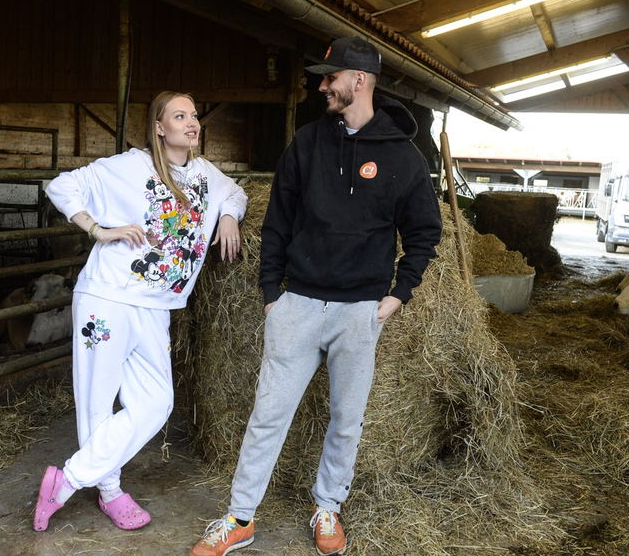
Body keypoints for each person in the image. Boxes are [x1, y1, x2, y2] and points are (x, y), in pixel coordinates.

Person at [189, 37, 442, 556]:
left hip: (359, 311)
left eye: (331, 77)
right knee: (268, 414)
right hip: (298, 305)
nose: (322, 85)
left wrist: (397, 296)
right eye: (322, 77)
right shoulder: (306, 142)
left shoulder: (402, 156)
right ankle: (240, 518)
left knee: (347, 419)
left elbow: (424, 233)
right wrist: (270, 295)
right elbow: (278, 221)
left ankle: (327, 505)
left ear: (360, 81)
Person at [34, 91, 247, 533]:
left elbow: (239, 193)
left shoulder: (207, 175)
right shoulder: (129, 167)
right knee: (98, 400)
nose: (192, 123)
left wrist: (228, 215)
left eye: (194, 115)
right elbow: (61, 186)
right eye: (180, 116)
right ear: (159, 126)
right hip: (108, 298)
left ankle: (67, 479)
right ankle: (110, 492)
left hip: (156, 307)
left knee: (156, 402)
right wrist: (100, 230)